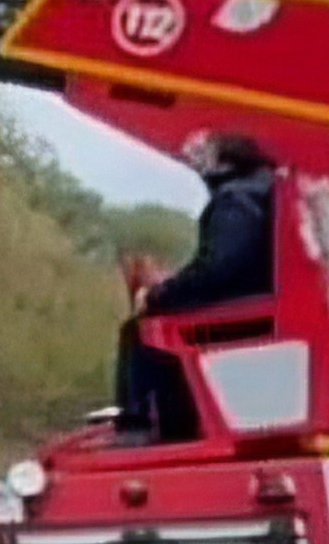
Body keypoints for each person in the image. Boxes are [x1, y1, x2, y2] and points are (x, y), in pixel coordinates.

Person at [112, 130, 281, 442]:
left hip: (244, 311)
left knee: (142, 330)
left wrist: (160, 292)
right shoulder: (267, 189)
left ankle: (143, 426)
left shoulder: (237, 200)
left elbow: (218, 269)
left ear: (223, 161)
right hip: (260, 301)